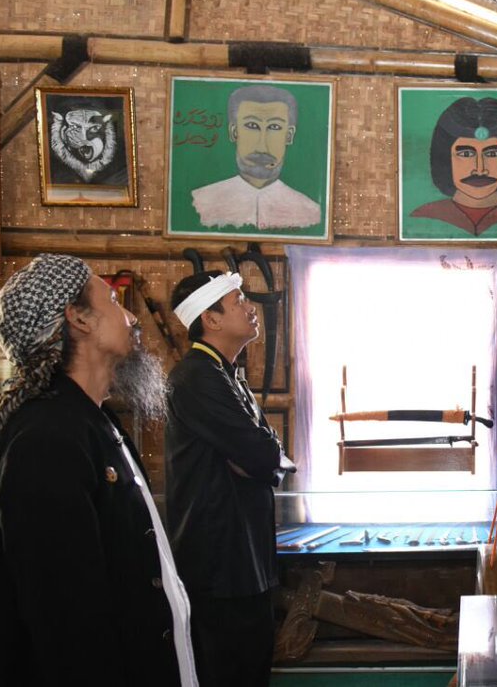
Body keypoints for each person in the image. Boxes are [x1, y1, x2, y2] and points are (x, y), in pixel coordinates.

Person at [0, 254, 197, 686]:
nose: (131, 317)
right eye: (112, 300)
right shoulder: (46, 441)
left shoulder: (93, 421)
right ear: (79, 319)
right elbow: (68, 631)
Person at [166, 270, 295, 687]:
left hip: (244, 560)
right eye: (238, 301)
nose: (250, 308)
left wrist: (257, 457)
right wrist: (259, 457)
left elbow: (265, 454)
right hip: (219, 565)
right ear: (212, 319)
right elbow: (262, 453)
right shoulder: (196, 377)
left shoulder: (226, 373)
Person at [191, 85, 321, 230]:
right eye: (252, 126)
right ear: (234, 132)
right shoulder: (200, 202)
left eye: (275, 127)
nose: (262, 147)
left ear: (289, 136)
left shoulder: (311, 212)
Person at [409, 96, 497, 236]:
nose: (480, 169)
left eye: (493, 153)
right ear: (446, 158)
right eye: (466, 154)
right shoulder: (424, 217)